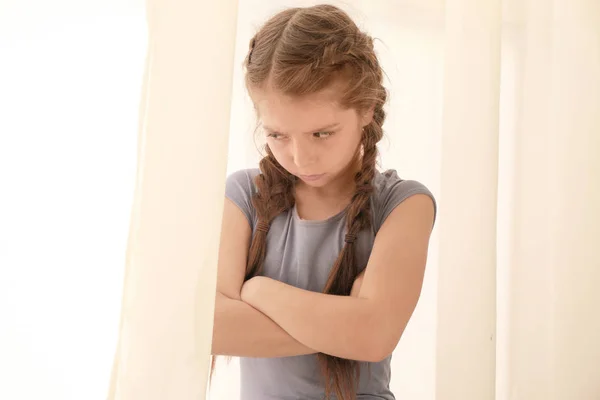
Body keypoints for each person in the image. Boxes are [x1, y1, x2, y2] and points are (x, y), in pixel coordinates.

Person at [211, 4, 436, 400]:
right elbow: (210, 327)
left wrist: (258, 291)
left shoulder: (403, 205)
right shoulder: (244, 196)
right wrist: (344, 324)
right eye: (278, 135)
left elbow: (373, 336)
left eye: (321, 134)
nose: (299, 157)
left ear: (366, 108)